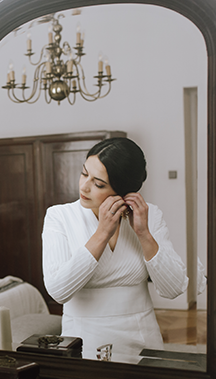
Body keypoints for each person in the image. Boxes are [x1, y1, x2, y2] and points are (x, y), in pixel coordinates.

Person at [42, 137, 206, 363]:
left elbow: (173, 288)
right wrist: (102, 233)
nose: (84, 186)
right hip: (82, 339)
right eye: (84, 173)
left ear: (123, 191)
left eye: (98, 184)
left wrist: (144, 234)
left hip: (142, 336)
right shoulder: (59, 216)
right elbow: (58, 290)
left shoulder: (150, 216)